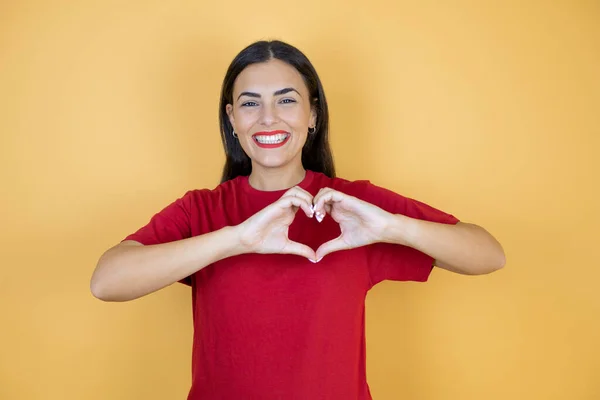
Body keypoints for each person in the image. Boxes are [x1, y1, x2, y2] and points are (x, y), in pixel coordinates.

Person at [90, 40, 505, 400]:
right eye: (251, 103)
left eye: (286, 100)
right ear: (232, 120)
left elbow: (488, 255)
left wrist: (392, 228)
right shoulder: (202, 211)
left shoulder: (354, 205)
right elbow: (107, 281)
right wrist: (235, 239)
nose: (268, 117)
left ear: (313, 115)